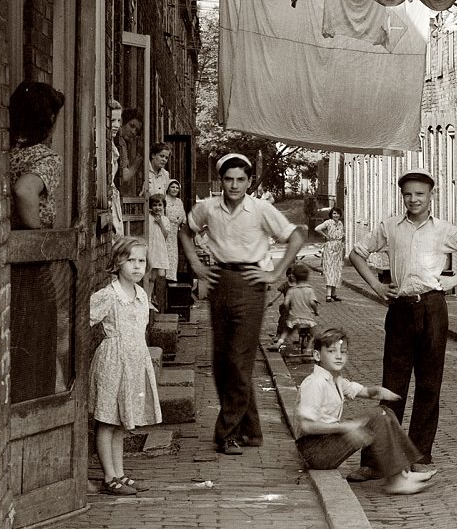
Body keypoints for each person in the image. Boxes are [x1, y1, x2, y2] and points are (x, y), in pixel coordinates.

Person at [349, 167, 457, 474]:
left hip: (432, 308)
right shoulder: (389, 226)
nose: (413, 200)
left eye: (420, 194)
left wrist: (455, 281)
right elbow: (357, 253)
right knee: (392, 386)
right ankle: (375, 461)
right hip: (400, 309)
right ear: (402, 196)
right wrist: (376, 286)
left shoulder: (445, 230)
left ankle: (419, 457)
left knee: (429, 386)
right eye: (408, 194)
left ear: (431, 195)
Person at [179, 152, 307, 455]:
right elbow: (184, 232)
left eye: (240, 180)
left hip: (251, 286)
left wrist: (275, 272)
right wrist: (196, 266)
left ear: (249, 181)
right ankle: (252, 429)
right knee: (222, 362)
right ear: (221, 180)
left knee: (239, 360)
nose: (234, 185)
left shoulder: (261, 209)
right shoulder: (208, 208)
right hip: (220, 281)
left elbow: (296, 238)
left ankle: (227, 433)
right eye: (228, 179)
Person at [294, 329, 435, 495]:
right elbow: (306, 426)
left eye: (343, 352)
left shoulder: (335, 379)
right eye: (331, 351)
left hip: (324, 443)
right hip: (314, 451)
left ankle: (403, 472)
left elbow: (363, 391)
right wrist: (346, 427)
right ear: (317, 356)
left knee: (384, 411)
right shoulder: (315, 383)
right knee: (377, 417)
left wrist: (379, 391)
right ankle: (396, 482)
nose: (339, 356)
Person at [88, 235, 162, 496]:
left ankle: (120, 473)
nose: (137, 266)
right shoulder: (109, 295)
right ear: (118, 262)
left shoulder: (140, 293)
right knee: (107, 421)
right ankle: (109, 477)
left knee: (120, 422)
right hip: (113, 362)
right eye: (130, 260)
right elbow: (82, 319)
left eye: (141, 261)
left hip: (134, 362)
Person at [9, 80, 65, 403]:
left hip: (11, 255)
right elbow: (24, 191)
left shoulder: (8, 153)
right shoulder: (45, 158)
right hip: (34, 259)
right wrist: (37, 234)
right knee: (40, 339)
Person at [268, 262, 320, 352]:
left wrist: (289, 310)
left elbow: (286, 303)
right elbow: (312, 303)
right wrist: (316, 311)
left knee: (286, 332)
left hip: (293, 318)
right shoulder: (309, 290)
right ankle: (308, 349)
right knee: (314, 334)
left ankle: (278, 343)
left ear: (294, 277)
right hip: (307, 318)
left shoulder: (291, 290)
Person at [145, 193, 173, 308]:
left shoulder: (165, 220)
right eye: (155, 205)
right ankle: (147, 298)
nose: (157, 207)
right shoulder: (148, 217)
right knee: (148, 274)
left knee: (156, 276)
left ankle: (150, 298)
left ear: (163, 206)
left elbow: (166, 235)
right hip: (149, 247)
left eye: (160, 205)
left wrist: (160, 223)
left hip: (158, 248)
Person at [315, 208, 346, 302]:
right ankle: (328, 294)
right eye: (334, 214)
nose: (336, 215)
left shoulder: (340, 223)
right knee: (330, 270)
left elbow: (342, 235)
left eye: (337, 214)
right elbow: (317, 228)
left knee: (337, 270)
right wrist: (326, 236)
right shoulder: (328, 222)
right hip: (330, 248)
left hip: (338, 248)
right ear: (331, 215)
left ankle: (333, 294)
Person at [107, 99, 125, 237]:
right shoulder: (103, 144)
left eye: (119, 121)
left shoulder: (112, 143)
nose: (116, 125)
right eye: (113, 120)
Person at [163, 179, 188, 279]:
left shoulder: (179, 201)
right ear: (168, 188)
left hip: (174, 230)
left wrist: (180, 221)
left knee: (173, 252)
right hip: (164, 227)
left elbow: (183, 215)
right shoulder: (164, 199)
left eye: (177, 188)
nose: (175, 189)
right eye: (172, 187)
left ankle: (171, 276)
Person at [117, 108, 143, 193]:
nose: (133, 132)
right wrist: (136, 165)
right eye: (131, 126)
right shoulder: (121, 143)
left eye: (136, 130)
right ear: (123, 123)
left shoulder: (122, 142)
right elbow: (124, 177)